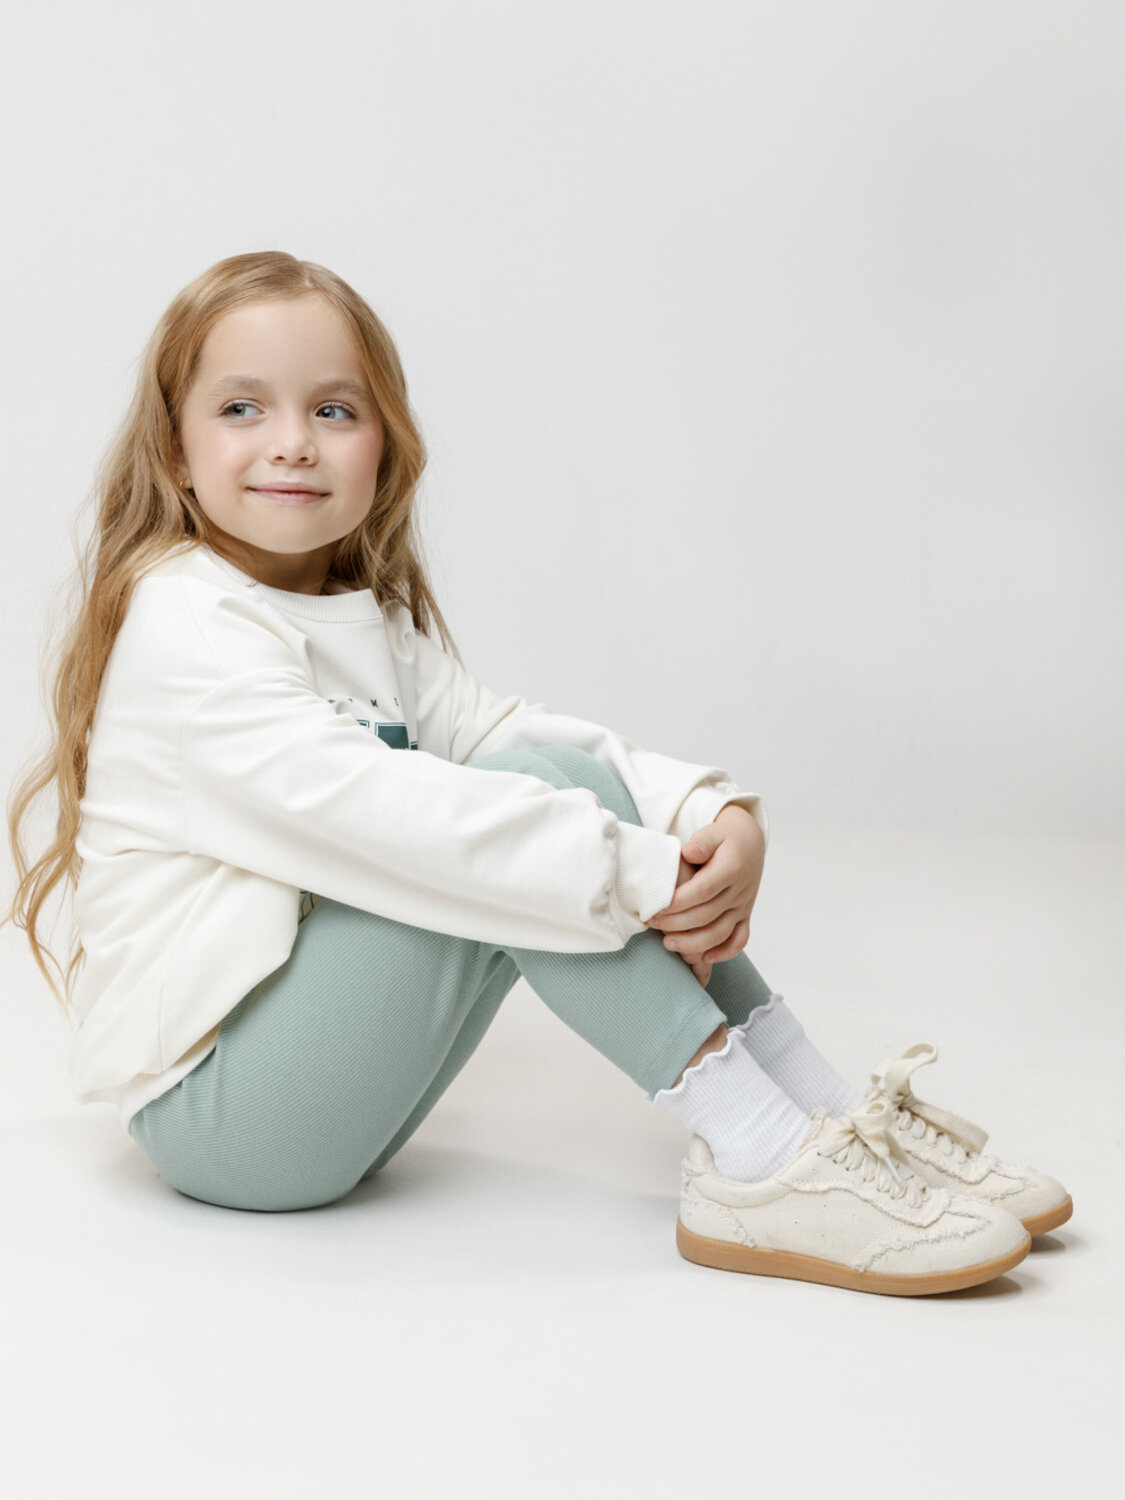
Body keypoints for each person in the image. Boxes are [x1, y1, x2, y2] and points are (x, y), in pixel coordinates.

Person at [4, 250, 1071, 1297]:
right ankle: (762, 1158)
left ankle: (819, 1117)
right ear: (176, 452)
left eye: (333, 410)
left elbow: (502, 733)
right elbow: (399, 821)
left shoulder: (344, 613)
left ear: (385, 448)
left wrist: (710, 813)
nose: (292, 442)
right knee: (511, 831)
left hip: (302, 1082)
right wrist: (649, 871)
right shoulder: (188, 627)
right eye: (242, 408)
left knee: (541, 774)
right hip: (228, 1120)